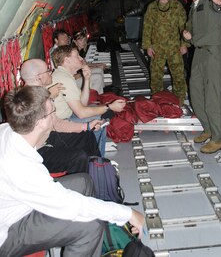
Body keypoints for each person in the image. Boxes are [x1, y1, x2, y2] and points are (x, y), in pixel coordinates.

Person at [0, 85, 144, 256]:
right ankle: (90, 235)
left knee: (84, 181)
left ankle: (99, 241)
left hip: (18, 204)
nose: (54, 110)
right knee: (90, 227)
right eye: (52, 109)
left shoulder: (7, 129)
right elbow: (66, 203)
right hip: (8, 231)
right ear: (40, 122)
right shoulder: (23, 167)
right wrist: (129, 214)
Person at [20, 59, 101, 173]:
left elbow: (56, 123)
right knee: (79, 157)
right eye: (48, 70)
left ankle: (99, 171)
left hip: (48, 138)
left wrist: (86, 126)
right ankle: (83, 186)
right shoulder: (27, 101)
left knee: (87, 136)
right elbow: (54, 125)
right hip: (36, 151)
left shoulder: (40, 92)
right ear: (39, 77)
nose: (51, 72)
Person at [181, 0, 221, 154]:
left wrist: (218, 2)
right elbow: (192, 28)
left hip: (212, 52)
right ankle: (208, 128)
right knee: (196, 92)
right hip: (199, 53)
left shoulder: (210, 0)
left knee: (212, 95)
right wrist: (187, 37)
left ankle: (219, 138)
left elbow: (218, 6)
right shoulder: (193, 6)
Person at [51, 45, 126, 156]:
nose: (81, 58)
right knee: (99, 120)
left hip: (65, 118)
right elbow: (81, 113)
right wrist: (109, 107)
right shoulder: (64, 79)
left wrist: (87, 79)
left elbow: (82, 103)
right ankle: (97, 160)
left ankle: (97, 158)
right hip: (58, 126)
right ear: (67, 60)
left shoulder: (65, 75)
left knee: (99, 112)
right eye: (77, 56)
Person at [142, 0, 188, 104]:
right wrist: (147, 46)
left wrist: (184, 44)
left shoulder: (177, 6)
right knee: (156, 77)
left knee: (178, 76)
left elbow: (183, 26)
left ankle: (180, 101)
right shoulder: (152, 8)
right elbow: (147, 27)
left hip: (175, 48)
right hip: (157, 48)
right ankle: (157, 101)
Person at [73, 29, 106, 94]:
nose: (83, 42)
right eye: (80, 40)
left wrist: (98, 65)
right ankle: (94, 98)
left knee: (100, 70)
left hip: (80, 74)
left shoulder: (80, 51)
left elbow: (85, 64)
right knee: (98, 77)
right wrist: (97, 66)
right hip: (74, 80)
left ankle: (101, 92)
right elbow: (75, 74)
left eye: (84, 40)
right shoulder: (74, 53)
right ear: (75, 41)